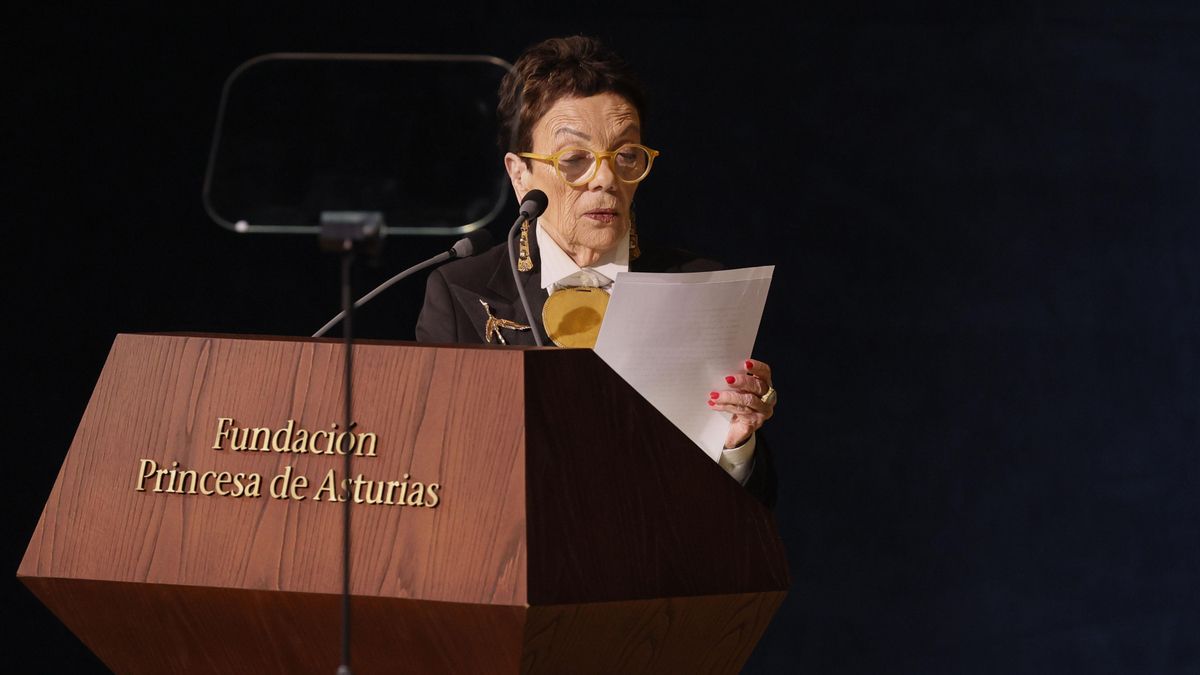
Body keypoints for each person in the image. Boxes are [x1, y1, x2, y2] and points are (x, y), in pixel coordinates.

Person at [416, 36, 777, 506]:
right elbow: (435, 476)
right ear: (519, 172)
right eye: (574, 160)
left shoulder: (696, 288)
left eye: (626, 156)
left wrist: (736, 443)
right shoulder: (460, 292)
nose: (605, 179)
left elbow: (749, 513)